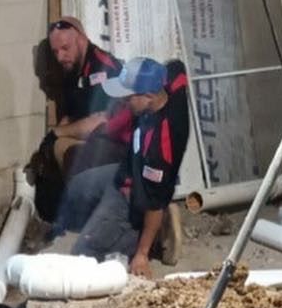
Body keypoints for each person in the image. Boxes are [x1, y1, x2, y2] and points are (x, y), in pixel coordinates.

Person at [52, 56, 189, 278]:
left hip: (139, 193)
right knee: (76, 188)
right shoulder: (169, 87)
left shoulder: (159, 146)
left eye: (128, 97)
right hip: (125, 173)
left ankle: (153, 236)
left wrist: (141, 255)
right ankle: (114, 222)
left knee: (84, 254)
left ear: (149, 96)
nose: (123, 102)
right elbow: (177, 67)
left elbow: (153, 201)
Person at [27, 18, 128, 221]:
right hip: (99, 139)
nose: (60, 56)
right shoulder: (73, 69)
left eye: (65, 48)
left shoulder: (103, 68)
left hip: (119, 143)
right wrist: (49, 141)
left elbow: (101, 122)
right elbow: (73, 114)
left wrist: (57, 133)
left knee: (72, 154)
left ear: (81, 39)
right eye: (55, 52)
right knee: (53, 154)